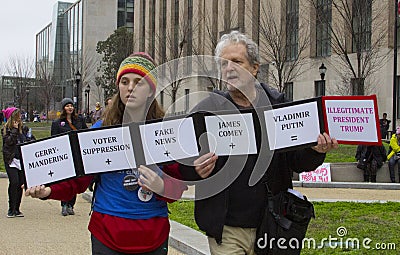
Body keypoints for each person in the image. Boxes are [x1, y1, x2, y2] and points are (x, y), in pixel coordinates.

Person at [179, 31, 338, 255]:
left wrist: (315, 150)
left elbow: (297, 161)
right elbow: (182, 161)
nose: (229, 68)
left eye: (237, 61)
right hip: (226, 229)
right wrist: (195, 169)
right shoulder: (206, 111)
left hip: (273, 225)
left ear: (254, 67)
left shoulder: (279, 106)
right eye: (224, 64)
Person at [25, 52, 187, 254]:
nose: (130, 88)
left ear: (150, 90)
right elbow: (79, 178)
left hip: (152, 233)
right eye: (125, 81)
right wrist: (48, 191)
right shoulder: (100, 131)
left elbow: (178, 187)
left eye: (138, 82)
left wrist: (161, 185)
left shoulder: (165, 132)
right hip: (107, 233)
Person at [51, 97, 88, 216]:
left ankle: (71, 204)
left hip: (76, 153)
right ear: (63, 108)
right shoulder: (57, 123)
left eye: (71, 106)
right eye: (67, 106)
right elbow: (53, 139)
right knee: (65, 179)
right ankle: (64, 204)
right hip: (64, 154)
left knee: (75, 179)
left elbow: (85, 133)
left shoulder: (79, 120)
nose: (70, 108)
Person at [1, 107, 27, 217]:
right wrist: (15, 130)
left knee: (20, 184)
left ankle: (17, 208)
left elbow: (28, 139)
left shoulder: (23, 129)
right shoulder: (5, 130)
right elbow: (9, 142)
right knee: (14, 182)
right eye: (17, 115)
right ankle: (11, 208)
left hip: (21, 160)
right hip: (11, 159)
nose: (19, 117)